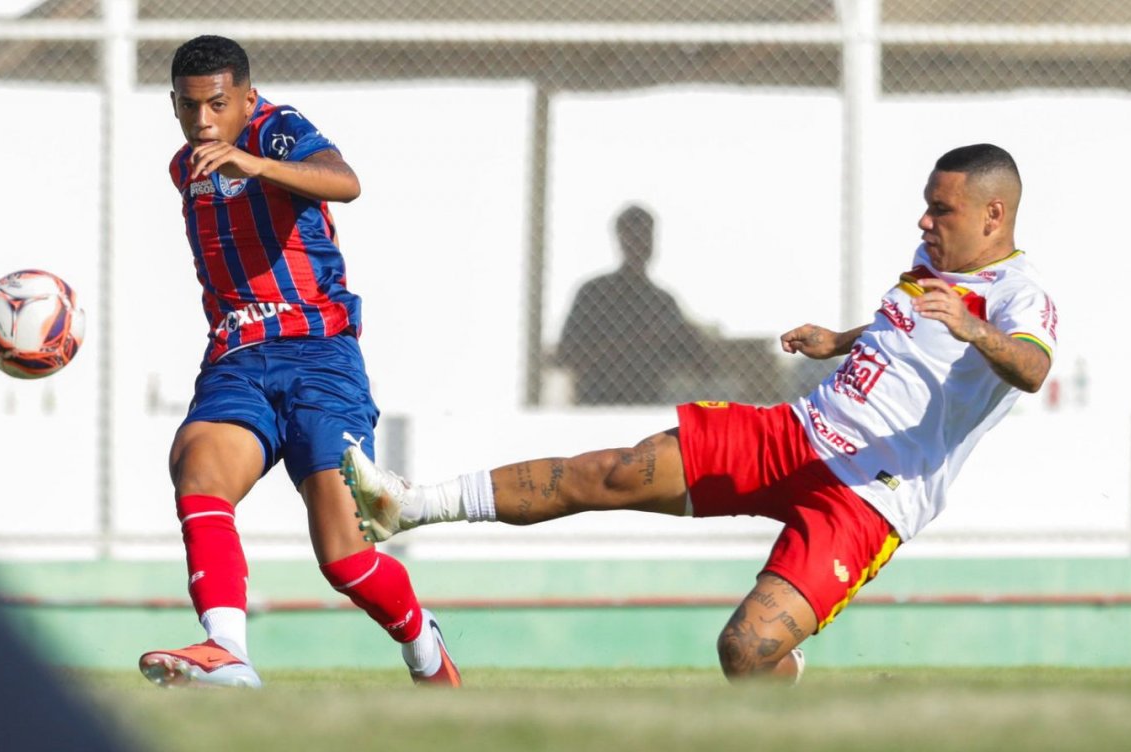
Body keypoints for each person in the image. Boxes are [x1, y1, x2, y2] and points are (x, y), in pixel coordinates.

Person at [342, 144, 1055, 682]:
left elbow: (1031, 367)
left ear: (994, 215)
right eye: (926, 206)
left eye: (943, 209)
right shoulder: (928, 261)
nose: (925, 220)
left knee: (744, 653)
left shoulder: (1019, 295)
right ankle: (410, 505)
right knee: (615, 472)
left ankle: (787, 688)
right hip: (797, 432)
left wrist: (977, 332)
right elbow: (908, 335)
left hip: (869, 495)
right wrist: (838, 340)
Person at [137, 35, 459, 689]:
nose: (205, 121)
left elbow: (345, 181)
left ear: (246, 99)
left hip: (320, 356)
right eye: (191, 107)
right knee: (197, 465)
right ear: (174, 105)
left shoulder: (277, 129)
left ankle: (424, 642)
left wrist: (256, 165)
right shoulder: (184, 169)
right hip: (238, 357)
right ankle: (227, 649)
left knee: (344, 559)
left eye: (219, 105)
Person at [555, 204, 712, 405]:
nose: (640, 244)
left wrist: (693, 337)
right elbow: (566, 354)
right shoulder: (594, 293)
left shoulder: (662, 301)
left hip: (647, 403)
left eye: (645, 236)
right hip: (597, 401)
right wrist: (633, 344)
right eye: (633, 236)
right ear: (620, 240)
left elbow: (698, 361)